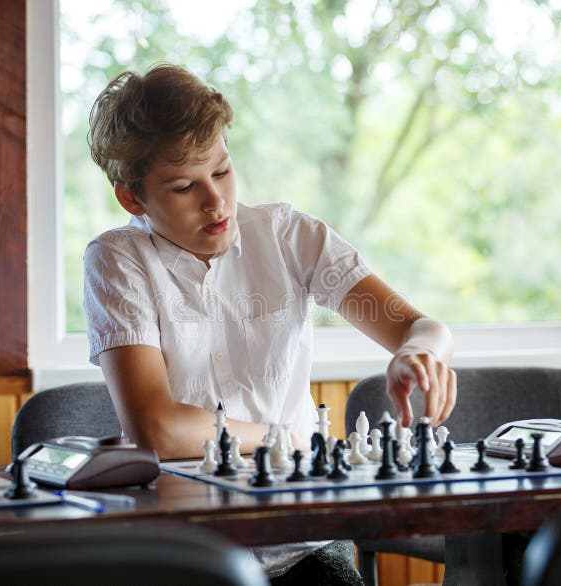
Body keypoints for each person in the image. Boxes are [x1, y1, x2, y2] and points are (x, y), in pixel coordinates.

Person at [84, 63, 456, 585]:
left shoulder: (286, 236)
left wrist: (419, 352)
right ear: (132, 198)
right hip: (187, 557)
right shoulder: (117, 260)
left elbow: (419, 327)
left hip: (304, 549)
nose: (216, 201)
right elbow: (158, 428)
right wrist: (284, 438)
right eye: (184, 186)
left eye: (222, 170)